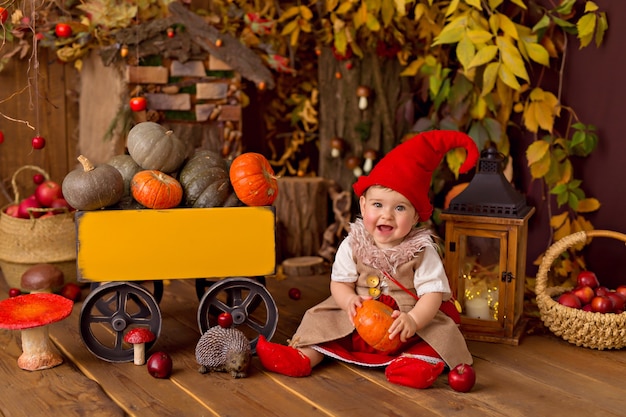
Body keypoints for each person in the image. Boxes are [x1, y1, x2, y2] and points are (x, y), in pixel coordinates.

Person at [257, 130, 479, 389]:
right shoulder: (353, 243)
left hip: (404, 326)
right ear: (362, 206)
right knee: (322, 321)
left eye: (399, 208)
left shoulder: (422, 251)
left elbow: (432, 294)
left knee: (440, 334)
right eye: (377, 205)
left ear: (416, 216)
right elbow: (339, 283)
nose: (387, 215)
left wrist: (414, 319)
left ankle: (416, 364)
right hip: (357, 322)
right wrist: (348, 300)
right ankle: (304, 357)